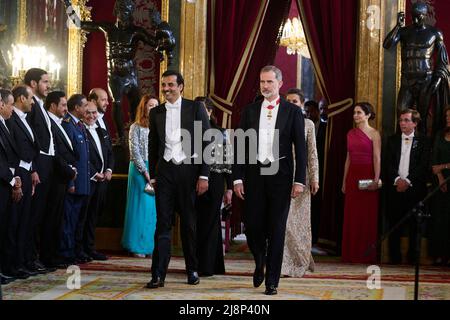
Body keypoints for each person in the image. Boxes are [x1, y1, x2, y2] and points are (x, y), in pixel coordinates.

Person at [233, 66, 307, 295]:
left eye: (269, 82)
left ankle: (272, 280)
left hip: (281, 177)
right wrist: (237, 178)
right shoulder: (249, 111)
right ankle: (259, 262)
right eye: (262, 82)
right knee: (253, 226)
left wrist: (299, 181)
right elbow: (240, 146)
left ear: (280, 84)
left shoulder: (293, 112)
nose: (265, 86)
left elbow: (301, 149)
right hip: (254, 176)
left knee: (276, 228)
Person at [64, 0, 175, 142]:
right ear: (117, 12)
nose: (125, 14)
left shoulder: (135, 31)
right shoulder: (108, 27)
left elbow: (155, 43)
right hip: (115, 74)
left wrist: (163, 30)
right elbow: (79, 24)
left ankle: (137, 134)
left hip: (131, 74)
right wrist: (68, 6)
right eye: (123, 11)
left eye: (128, 12)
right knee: (116, 102)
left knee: (137, 103)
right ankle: (121, 137)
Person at [147, 71, 210, 289]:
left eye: (171, 85)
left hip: (189, 174)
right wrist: (153, 177)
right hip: (165, 173)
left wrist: (204, 175)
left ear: (181, 86)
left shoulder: (196, 108)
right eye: (164, 85)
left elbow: (207, 143)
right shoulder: (155, 112)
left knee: (189, 225)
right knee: (162, 224)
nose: (166, 89)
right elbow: (153, 146)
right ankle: (158, 274)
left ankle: (192, 269)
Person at [383, 2, 450, 136]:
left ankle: (423, 151)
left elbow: (443, 60)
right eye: (413, 16)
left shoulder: (435, 33)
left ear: (425, 15)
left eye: (418, 16)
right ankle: (401, 146)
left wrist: (436, 81)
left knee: (422, 118)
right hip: (407, 80)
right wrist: (398, 26)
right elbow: (387, 44)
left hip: (425, 80)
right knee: (401, 112)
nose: (415, 20)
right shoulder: (404, 31)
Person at [281, 89, 319, 277]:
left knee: (300, 223)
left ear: (302, 104)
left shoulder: (308, 124)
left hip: (300, 178)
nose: (291, 103)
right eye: (288, 100)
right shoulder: (278, 121)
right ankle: (284, 263)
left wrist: (314, 178)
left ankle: (301, 260)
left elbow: (312, 153)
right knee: (284, 222)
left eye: (295, 101)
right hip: (281, 175)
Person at [385, 109, 430, 264]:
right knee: (394, 225)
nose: (402, 123)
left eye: (406, 120)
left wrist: (408, 181)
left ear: (415, 123)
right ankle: (394, 258)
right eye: (401, 120)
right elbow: (388, 164)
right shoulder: (392, 140)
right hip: (395, 189)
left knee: (414, 227)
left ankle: (413, 259)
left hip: (415, 190)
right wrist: (398, 180)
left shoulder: (424, 142)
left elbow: (423, 165)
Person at [5, 85, 40, 279]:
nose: (33, 102)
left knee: (24, 221)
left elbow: (32, 148)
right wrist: (17, 178)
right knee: (14, 221)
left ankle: (20, 262)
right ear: (21, 99)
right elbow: (12, 149)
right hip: (16, 173)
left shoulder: (25, 119)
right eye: (31, 99)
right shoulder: (11, 120)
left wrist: (33, 169)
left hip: (26, 173)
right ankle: (11, 264)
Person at [194, 96, 232, 276]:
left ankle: (206, 267)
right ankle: (210, 264)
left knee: (209, 222)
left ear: (210, 112)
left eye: (203, 110)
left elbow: (229, 162)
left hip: (215, 180)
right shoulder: (189, 131)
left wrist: (230, 188)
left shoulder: (222, 132)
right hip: (192, 182)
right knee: (198, 222)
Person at [23, 68, 55, 274]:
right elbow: (30, 140)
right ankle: (27, 259)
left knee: (40, 215)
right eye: (45, 82)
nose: (48, 85)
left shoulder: (40, 105)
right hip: (37, 164)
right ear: (33, 84)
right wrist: (34, 167)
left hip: (46, 164)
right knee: (32, 216)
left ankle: (33, 257)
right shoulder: (31, 106)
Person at [341, 102, 381, 264]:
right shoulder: (350, 133)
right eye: (354, 113)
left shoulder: (374, 134)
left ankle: (365, 254)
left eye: (359, 113)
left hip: (368, 175)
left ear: (368, 115)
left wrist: (376, 179)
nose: (355, 115)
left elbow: (377, 158)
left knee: (367, 216)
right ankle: (350, 253)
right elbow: (348, 158)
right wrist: (344, 181)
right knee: (352, 216)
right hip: (353, 177)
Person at [42, 91, 77, 269]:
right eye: (63, 105)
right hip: (54, 178)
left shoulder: (60, 123)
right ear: (53, 106)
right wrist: (69, 171)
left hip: (62, 179)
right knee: (50, 220)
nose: (66, 109)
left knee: (57, 220)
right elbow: (54, 154)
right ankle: (47, 257)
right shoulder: (48, 122)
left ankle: (54, 255)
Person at [122, 94, 159, 258]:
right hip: (139, 170)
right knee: (139, 208)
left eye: (156, 105)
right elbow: (135, 152)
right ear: (144, 108)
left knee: (152, 210)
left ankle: (149, 246)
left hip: (156, 169)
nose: (153, 108)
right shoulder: (136, 127)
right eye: (150, 105)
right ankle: (136, 245)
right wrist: (146, 173)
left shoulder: (160, 126)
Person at [81, 102, 114, 261]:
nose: (92, 116)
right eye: (88, 113)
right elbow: (82, 157)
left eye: (94, 113)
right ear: (81, 112)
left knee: (94, 216)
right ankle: (80, 249)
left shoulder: (101, 131)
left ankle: (90, 248)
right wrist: (95, 173)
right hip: (89, 180)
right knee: (84, 216)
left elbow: (110, 153)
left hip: (102, 181)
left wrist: (108, 170)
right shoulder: (80, 130)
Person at [60, 94, 90, 264]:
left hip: (83, 183)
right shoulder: (68, 125)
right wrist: (71, 181)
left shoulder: (79, 125)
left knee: (77, 221)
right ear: (77, 107)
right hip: (74, 183)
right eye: (85, 105)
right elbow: (67, 157)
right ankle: (66, 253)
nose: (87, 109)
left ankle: (75, 251)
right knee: (68, 221)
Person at [0, 89, 22, 284]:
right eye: (11, 104)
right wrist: (11, 179)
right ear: (1, 104)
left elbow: (10, 155)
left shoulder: (4, 124)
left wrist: (15, 177)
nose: (12, 109)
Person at [305, 100, 328, 255]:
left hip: (321, 170)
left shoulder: (327, 128)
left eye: (312, 111)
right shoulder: (301, 125)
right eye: (306, 111)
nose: (308, 114)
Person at [429, 106, 450, 266]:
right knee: (440, 220)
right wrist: (440, 176)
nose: (448, 118)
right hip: (440, 184)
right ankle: (440, 255)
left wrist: (443, 167)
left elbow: (440, 165)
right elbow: (434, 161)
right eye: (447, 116)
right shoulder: (439, 135)